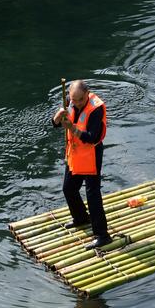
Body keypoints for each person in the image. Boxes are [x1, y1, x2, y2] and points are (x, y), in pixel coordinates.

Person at [52, 80, 113, 249]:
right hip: (75, 153)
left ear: (87, 93)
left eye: (80, 100)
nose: (76, 103)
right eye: (73, 100)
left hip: (91, 154)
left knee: (92, 194)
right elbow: (59, 123)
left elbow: (92, 137)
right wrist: (56, 120)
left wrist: (72, 128)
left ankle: (102, 235)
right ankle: (80, 218)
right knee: (68, 188)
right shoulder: (70, 99)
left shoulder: (96, 108)